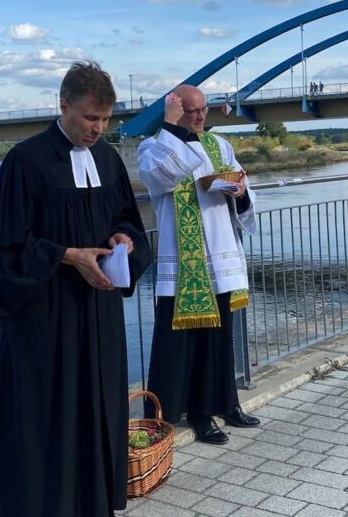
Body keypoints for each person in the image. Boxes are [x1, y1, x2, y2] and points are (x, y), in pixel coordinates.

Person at [0, 60, 153, 516]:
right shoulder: (25, 160)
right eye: (90, 118)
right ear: (64, 105)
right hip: (45, 314)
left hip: (99, 309)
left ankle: (91, 501)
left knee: (99, 403)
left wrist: (123, 239)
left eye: (106, 119)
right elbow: (3, 244)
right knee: (42, 407)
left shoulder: (108, 159)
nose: (98, 128)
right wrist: (66, 255)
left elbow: (127, 219)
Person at [138, 85, 260, 446]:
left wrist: (239, 193)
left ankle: (228, 403)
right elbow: (161, 176)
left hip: (220, 257)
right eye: (191, 111)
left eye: (203, 109)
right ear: (175, 112)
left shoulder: (219, 145)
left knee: (220, 342)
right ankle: (195, 414)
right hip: (185, 267)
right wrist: (172, 129)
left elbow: (242, 183)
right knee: (184, 346)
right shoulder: (153, 146)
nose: (200, 116)